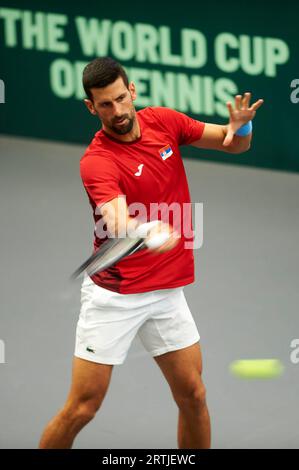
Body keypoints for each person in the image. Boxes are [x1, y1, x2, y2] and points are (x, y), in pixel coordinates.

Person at [39, 57, 263, 449]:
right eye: (105, 104)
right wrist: (145, 228)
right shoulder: (97, 161)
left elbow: (233, 145)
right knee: (83, 408)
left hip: (166, 293)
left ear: (133, 92)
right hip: (116, 297)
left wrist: (241, 125)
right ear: (91, 108)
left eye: (121, 98)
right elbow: (116, 217)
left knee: (193, 395)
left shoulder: (164, 121)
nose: (118, 111)